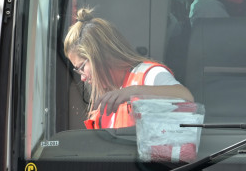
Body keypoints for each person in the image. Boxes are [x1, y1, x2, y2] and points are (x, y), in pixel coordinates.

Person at [64, 7, 194, 129]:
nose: (82, 77)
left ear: (99, 56)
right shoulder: (108, 93)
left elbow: (186, 98)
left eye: (81, 67)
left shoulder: (149, 74)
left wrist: (133, 91)